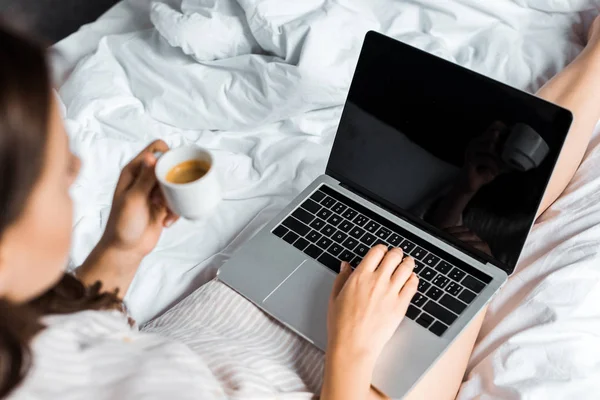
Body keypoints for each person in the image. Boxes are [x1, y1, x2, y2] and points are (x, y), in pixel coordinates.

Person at [1, 14, 599, 399]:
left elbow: (78, 352)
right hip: (335, 379)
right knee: (472, 261)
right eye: (62, 175)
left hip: (226, 320)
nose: (80, 174)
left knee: (439, 237)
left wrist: (117, 254)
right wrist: (351, 352)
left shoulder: (13, 336)